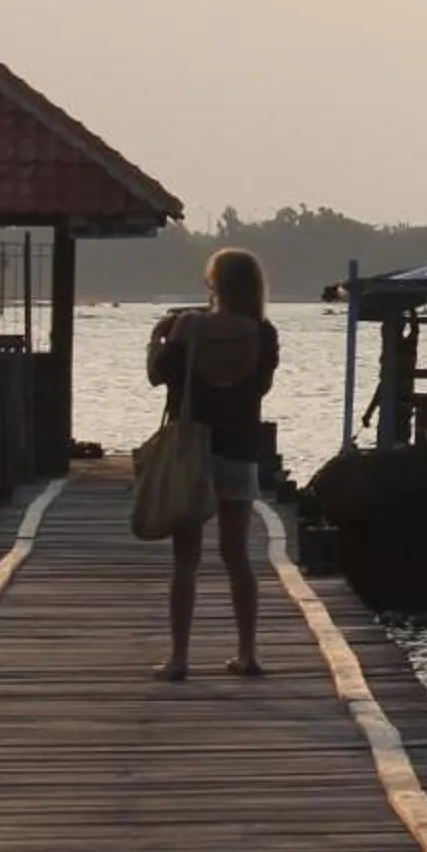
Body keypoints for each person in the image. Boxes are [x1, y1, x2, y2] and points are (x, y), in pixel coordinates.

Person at [147, 247, 278, 680]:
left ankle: (180, 658)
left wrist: (158, 337)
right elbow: (260, 386)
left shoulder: (190, 326)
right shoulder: (263, 333)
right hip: (241, 448)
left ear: (214, 285)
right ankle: (249, 652)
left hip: (194, 450)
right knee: (237, 554)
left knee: (186, 558)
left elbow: (158, 374)